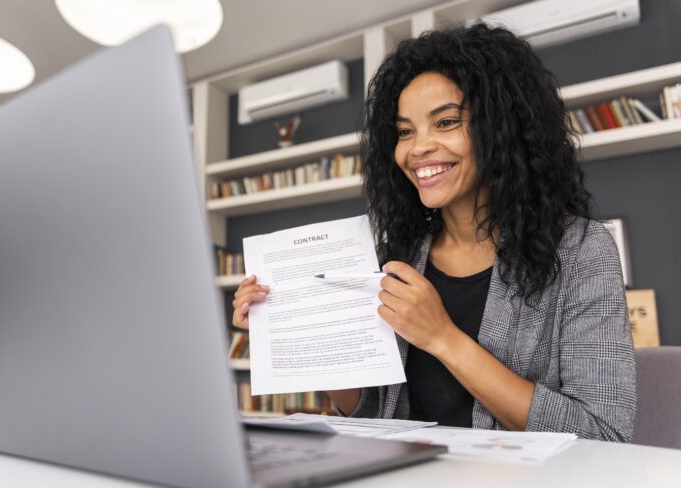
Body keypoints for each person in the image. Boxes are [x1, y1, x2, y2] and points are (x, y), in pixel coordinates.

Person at [232, 23, 636, 442]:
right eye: (405, 131)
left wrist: (443, 338)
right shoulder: (398, 257)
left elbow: (603, 434)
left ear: (502, 129)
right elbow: (374, 412)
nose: (417, 147)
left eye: (445, 122)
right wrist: (292, 331)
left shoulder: (580, 250)